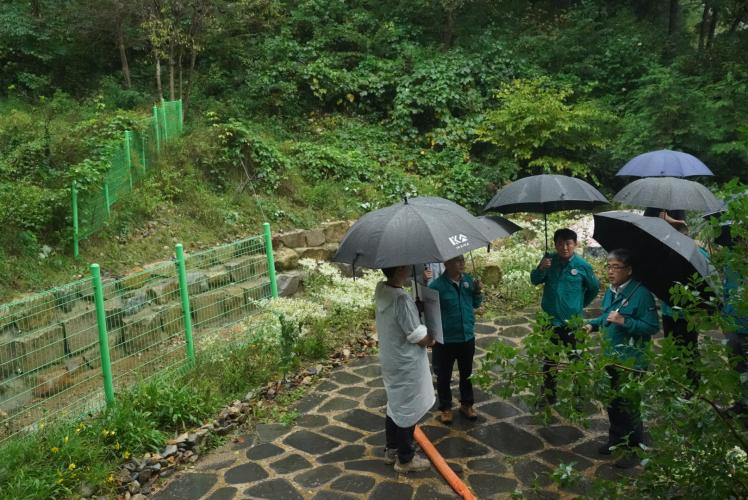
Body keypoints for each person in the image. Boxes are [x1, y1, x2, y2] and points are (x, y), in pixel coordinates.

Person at [583, 249, 659, 469]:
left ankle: (634, 448)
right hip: (611, 357)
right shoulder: (612, 290)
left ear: (629, 270)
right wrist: (593, 325)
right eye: (608, 266)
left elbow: (652, 327)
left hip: (631, 362)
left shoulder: (641, 294)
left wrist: (625, 321)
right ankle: (616, 439)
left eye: (616, 267)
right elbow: (607, 314)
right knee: (613, 402)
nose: (610, 271)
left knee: (629, 406)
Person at [374, 266, 435, 472]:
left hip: (391, 358)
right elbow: (416, 336)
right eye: (406, 265)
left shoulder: (382, 290)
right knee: (408, 408)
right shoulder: (401, 299)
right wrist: (431, 339)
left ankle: (391, 450)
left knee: (396, 404)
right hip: (406, 362)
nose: (410, 267)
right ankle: (405, 458)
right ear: (400, 269)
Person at [530, 228, 600, 404]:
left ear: (575, 244)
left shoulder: (583, 266)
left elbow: (594, 288)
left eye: (568, 243)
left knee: (576, 360)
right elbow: (535, 280)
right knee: (549, 361)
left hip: (572, 323)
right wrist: (540, 268)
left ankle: (578, 397)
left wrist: (579, 304)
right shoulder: (549, 260)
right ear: (555, 244)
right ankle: (548, 395)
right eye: (560, 243)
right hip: (550, 321)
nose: (564, 247)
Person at [429, 254, 483, 424]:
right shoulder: (436, 286)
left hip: (466, 336)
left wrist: (477, 291)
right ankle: (445, 408)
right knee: (443, 375)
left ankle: (467, 404)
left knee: (466, 373)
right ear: (446, 263)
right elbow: (430, 313)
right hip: (445, 339)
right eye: (457, 261)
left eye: (463, 260)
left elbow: (475, 304)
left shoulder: (468, 280)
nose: (462, 263)